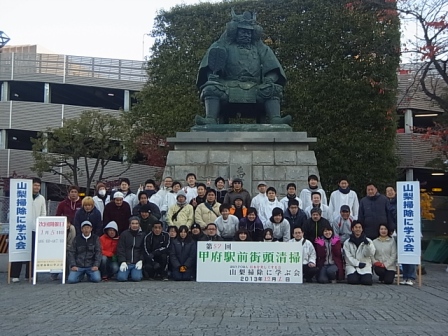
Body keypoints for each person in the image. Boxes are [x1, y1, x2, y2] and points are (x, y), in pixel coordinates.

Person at [195, 10, 291, 125]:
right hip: (227, 86)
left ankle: (275, 118)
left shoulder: (261, 48)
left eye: (249, 32)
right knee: (210, 88)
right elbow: (212, 61)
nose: (246, 35)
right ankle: (210, 118)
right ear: (235, 31)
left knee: (274, 89)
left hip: (256, 88)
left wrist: (270, 79)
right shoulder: (222, 46)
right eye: (243, 32)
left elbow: (274, 69)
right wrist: (212, 76)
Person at [11, 177, 46, 283]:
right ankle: (14, 274)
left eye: (38, 185)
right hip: (20, 228)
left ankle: (30, 274)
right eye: (35, 185)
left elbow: (43, 213)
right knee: (18, 251)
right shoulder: (22, 196)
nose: (37, 187)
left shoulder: (41, 198)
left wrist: (40, 225)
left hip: (35, 229)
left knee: (33, 252)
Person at [344, 220, 376, 285]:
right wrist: (357, 263)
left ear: (362, 229)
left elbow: (370, 254)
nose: (358, 229)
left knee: (367, 282)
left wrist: (367, 245)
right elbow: (348, 257)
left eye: (359, 227)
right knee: (353, 281)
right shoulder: (347, 242)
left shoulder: (368, 241)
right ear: (352, 229)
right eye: (356, 227)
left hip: (365, 265)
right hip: (352, 266)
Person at [116, 217, 145, 282]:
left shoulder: (143, 235)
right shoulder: (124, 234)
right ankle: (128, 274)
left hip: (137, 263)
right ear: (130, 224)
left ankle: (135, 273)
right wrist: (122, 261)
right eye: (133, 223)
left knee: (136, 278)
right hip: (126, 263)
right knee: (121, 278)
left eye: (136, 223)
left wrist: (141, 260)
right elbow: (120, 249)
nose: (135, 225)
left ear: (139, 225)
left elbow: (144, 249)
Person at [50, 216, 76, 281]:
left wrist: (65, 249)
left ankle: (66, 274)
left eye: (68, 223)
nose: (66, 224)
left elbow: (71, 242)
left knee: (67, 256)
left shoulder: (72, 229)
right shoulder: (57, 229)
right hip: (58, 248)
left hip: (69, 248)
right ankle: (54, 274)